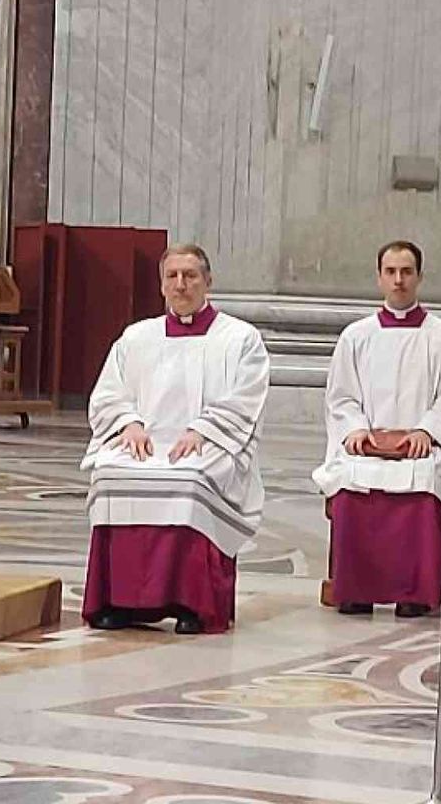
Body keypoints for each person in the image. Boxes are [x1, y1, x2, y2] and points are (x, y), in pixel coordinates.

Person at [81, 244, 270, 635]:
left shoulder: (239, 339)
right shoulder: (137, 337)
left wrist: (203, 429)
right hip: (144, 443)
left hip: (210, 443)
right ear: (162, 284)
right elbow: (108, 394)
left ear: (208, 281)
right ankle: (117, 602)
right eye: (173, 276)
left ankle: (192, 604)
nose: (181, 285)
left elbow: (246, 396)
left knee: (189, 480)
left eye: (191, 276)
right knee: (111, 474)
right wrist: (128, 424)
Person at [312, 241, 441, 618]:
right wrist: (353, 430)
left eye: (406, 272)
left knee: (424, 483)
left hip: (420, 447)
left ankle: (414, 593)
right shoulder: (356, 336)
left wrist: (427, 432)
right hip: (367, 443)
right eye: (391, 272)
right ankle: (354, 589)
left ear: (420, 277)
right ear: (379, 277)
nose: (398, 280)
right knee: (351, 485)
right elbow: (341, 397)